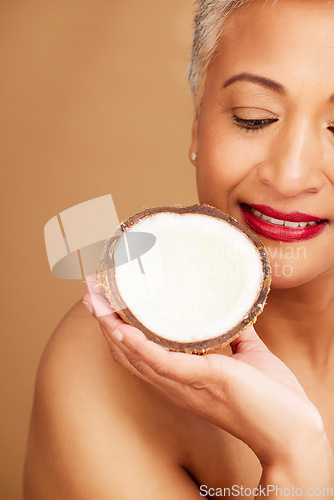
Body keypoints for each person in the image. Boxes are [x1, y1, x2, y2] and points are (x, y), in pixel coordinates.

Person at [24, 0, 334, 497]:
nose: (290, 174)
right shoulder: (100, 366)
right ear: (197, 126)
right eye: (254, 118)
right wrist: (296, 459)